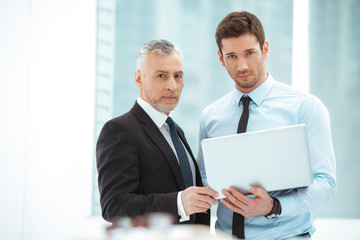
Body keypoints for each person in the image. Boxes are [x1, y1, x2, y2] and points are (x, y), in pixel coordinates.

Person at [197, 11, 336, 239]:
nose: (242, 65)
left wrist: (274, 206)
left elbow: (326, 185)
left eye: (249, 53)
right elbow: (205, 181)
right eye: (232, 56)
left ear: (266, 49)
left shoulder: (305, 107)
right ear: (221, 59)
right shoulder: (210, 116)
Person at [96, 39, 218, 225]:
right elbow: (114, 206)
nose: (173, 86)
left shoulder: (176, 131)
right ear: (138, 78)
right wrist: (178, 203)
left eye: (178, 76)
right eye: (161, 75)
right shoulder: (119, 130)